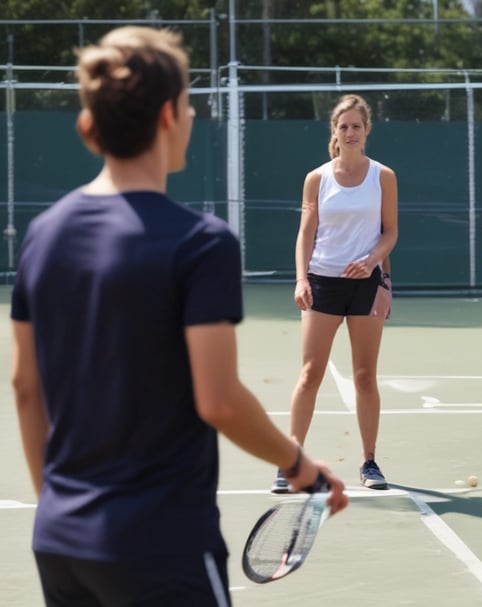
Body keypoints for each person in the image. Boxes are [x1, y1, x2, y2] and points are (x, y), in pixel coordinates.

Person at [10, 26, 348, 607]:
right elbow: (216, 400)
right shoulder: (200, 242)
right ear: (169, 115)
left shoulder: (42, 236)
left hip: (60, 541)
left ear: (92, 123)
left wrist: (61, 510)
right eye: (190, 102)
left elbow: (24, 388)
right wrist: (298, 464)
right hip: (161, 543)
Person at [271, 94, 398, 494]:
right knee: (310, 374)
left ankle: (370, 461)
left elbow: (389, 232)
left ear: (367, 130)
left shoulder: (383, 176)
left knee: (365, 376)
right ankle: (291, 461)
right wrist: (301, 279)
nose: (350, 132)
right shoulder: (317, 178)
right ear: (335, 132)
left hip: (366, 286)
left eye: (356, 126)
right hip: (322, 283)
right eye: (343, 126)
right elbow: (305, 234)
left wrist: (378, 273)